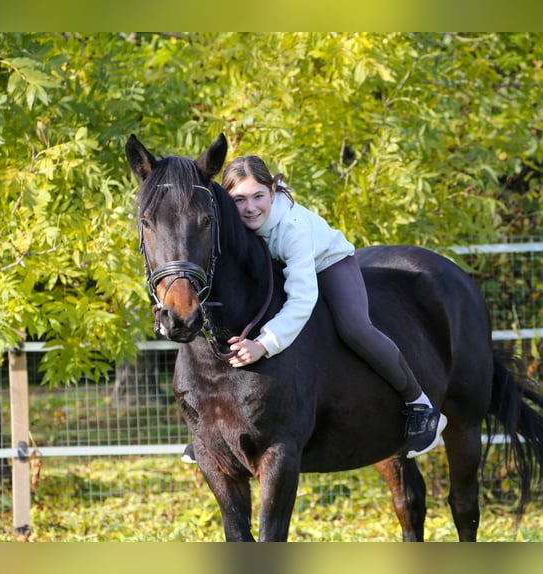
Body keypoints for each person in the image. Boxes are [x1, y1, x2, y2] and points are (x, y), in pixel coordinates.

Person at [183, 156, 446, 463]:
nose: (251, 208)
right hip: (278, 268)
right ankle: (211, 432)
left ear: (273, 191)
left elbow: (302, 298)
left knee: (354, 327)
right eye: (239, 199)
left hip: (328, 264)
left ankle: (420, 405)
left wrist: (264, 344)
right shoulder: (226, 221)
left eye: (258, 196)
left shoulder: (292, 227)